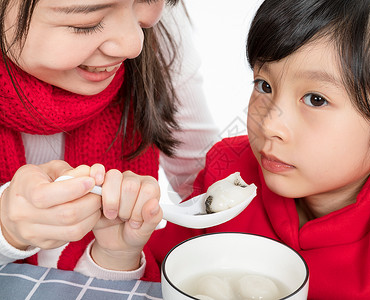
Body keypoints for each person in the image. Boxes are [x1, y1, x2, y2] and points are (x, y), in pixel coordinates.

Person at [148, 0, 370, 298]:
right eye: (264, 85)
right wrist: (119, 253)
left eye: (315, 99)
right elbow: (157, 278)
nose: (270, 126)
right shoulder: (228, 173)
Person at [0, 0, 219, 280]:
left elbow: (205, 189)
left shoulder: (162, 34)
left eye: (148, 0)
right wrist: (5, 231)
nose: (133, 45)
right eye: (86, 23)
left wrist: (116, 257)